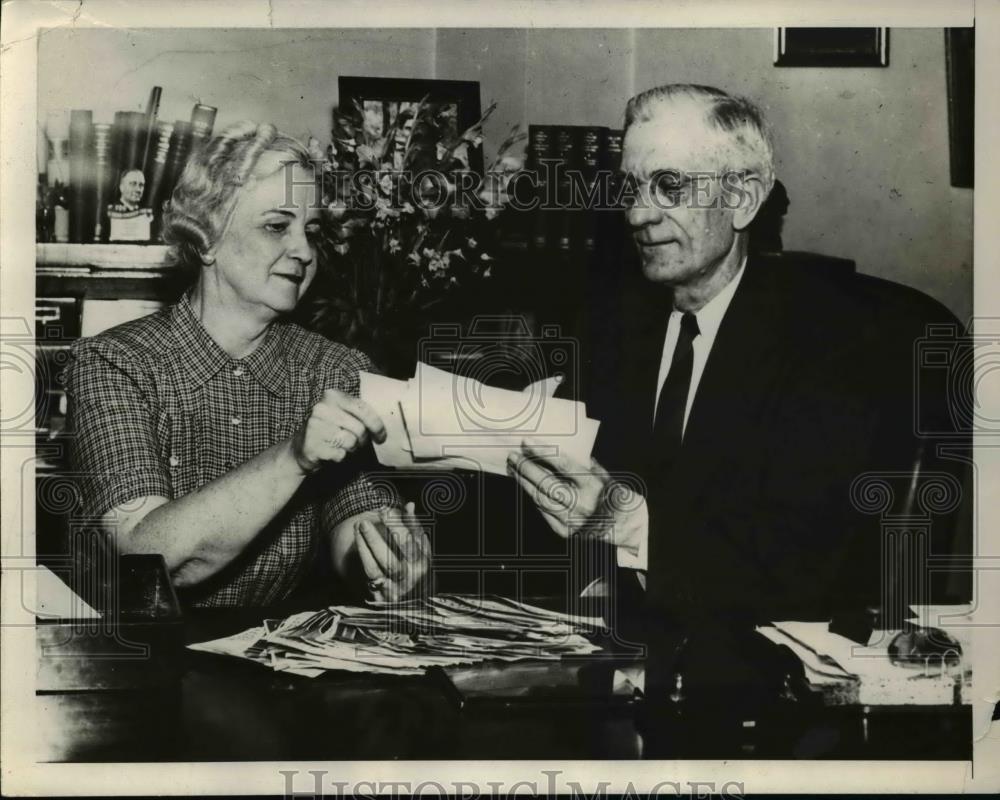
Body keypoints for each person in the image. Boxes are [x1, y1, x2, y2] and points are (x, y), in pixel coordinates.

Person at [509, 84, 962, 632]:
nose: (637, 214)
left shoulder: (832, 343)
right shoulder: (613, 322)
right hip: (614, 651)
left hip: (765, 675)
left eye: (669, 186)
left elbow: (807, 562)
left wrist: (627, 525)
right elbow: (548, 513)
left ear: (743, 199)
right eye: (630, 187)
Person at [68, 121, 430, 607]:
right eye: (277, 226)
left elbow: (357, 519)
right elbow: (147, 559)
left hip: (274, 671)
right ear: (207, 237)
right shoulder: (114, 364)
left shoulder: (333, 370)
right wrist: (294, 457)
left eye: (312, 231)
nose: (303, 251)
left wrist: (390, 562)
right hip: (135, 664)